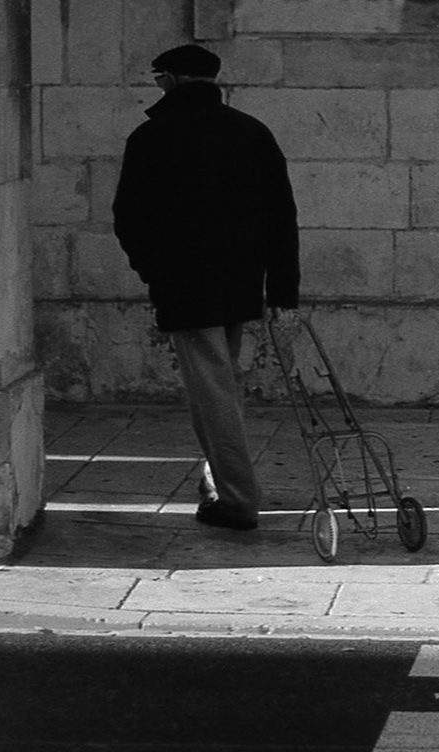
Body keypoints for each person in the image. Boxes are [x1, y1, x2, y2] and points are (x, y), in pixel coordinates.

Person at [112, 44, 299, 531]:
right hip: (240, 284)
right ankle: (218, 483)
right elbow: (282, 217)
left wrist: (154, 272)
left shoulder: (152, 137)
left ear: (172, 80)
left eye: (159, 78)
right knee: (220, 386)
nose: (157, 87)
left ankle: (237, 500)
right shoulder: (252, 132)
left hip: (186, 287)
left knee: (212, 392)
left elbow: (128, 218)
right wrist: (282, 291)